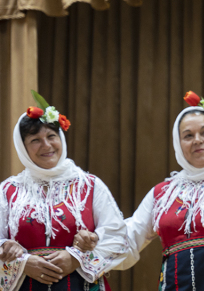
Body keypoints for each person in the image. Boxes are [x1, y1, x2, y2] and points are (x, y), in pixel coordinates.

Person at [0, 93, 128, 290]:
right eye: (35, 140)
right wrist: (22, 262)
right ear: (22, 148)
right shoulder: (8, 190)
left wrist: (76, 259)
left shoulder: (89, 185)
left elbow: (117, 237)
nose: (46, 145)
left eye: (51, 136)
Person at [108, 91, 204, 290]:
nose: (197, 140)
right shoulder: (164, 193)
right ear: (177, 143)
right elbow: (130, 237)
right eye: (188, 136)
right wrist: (92, 244)